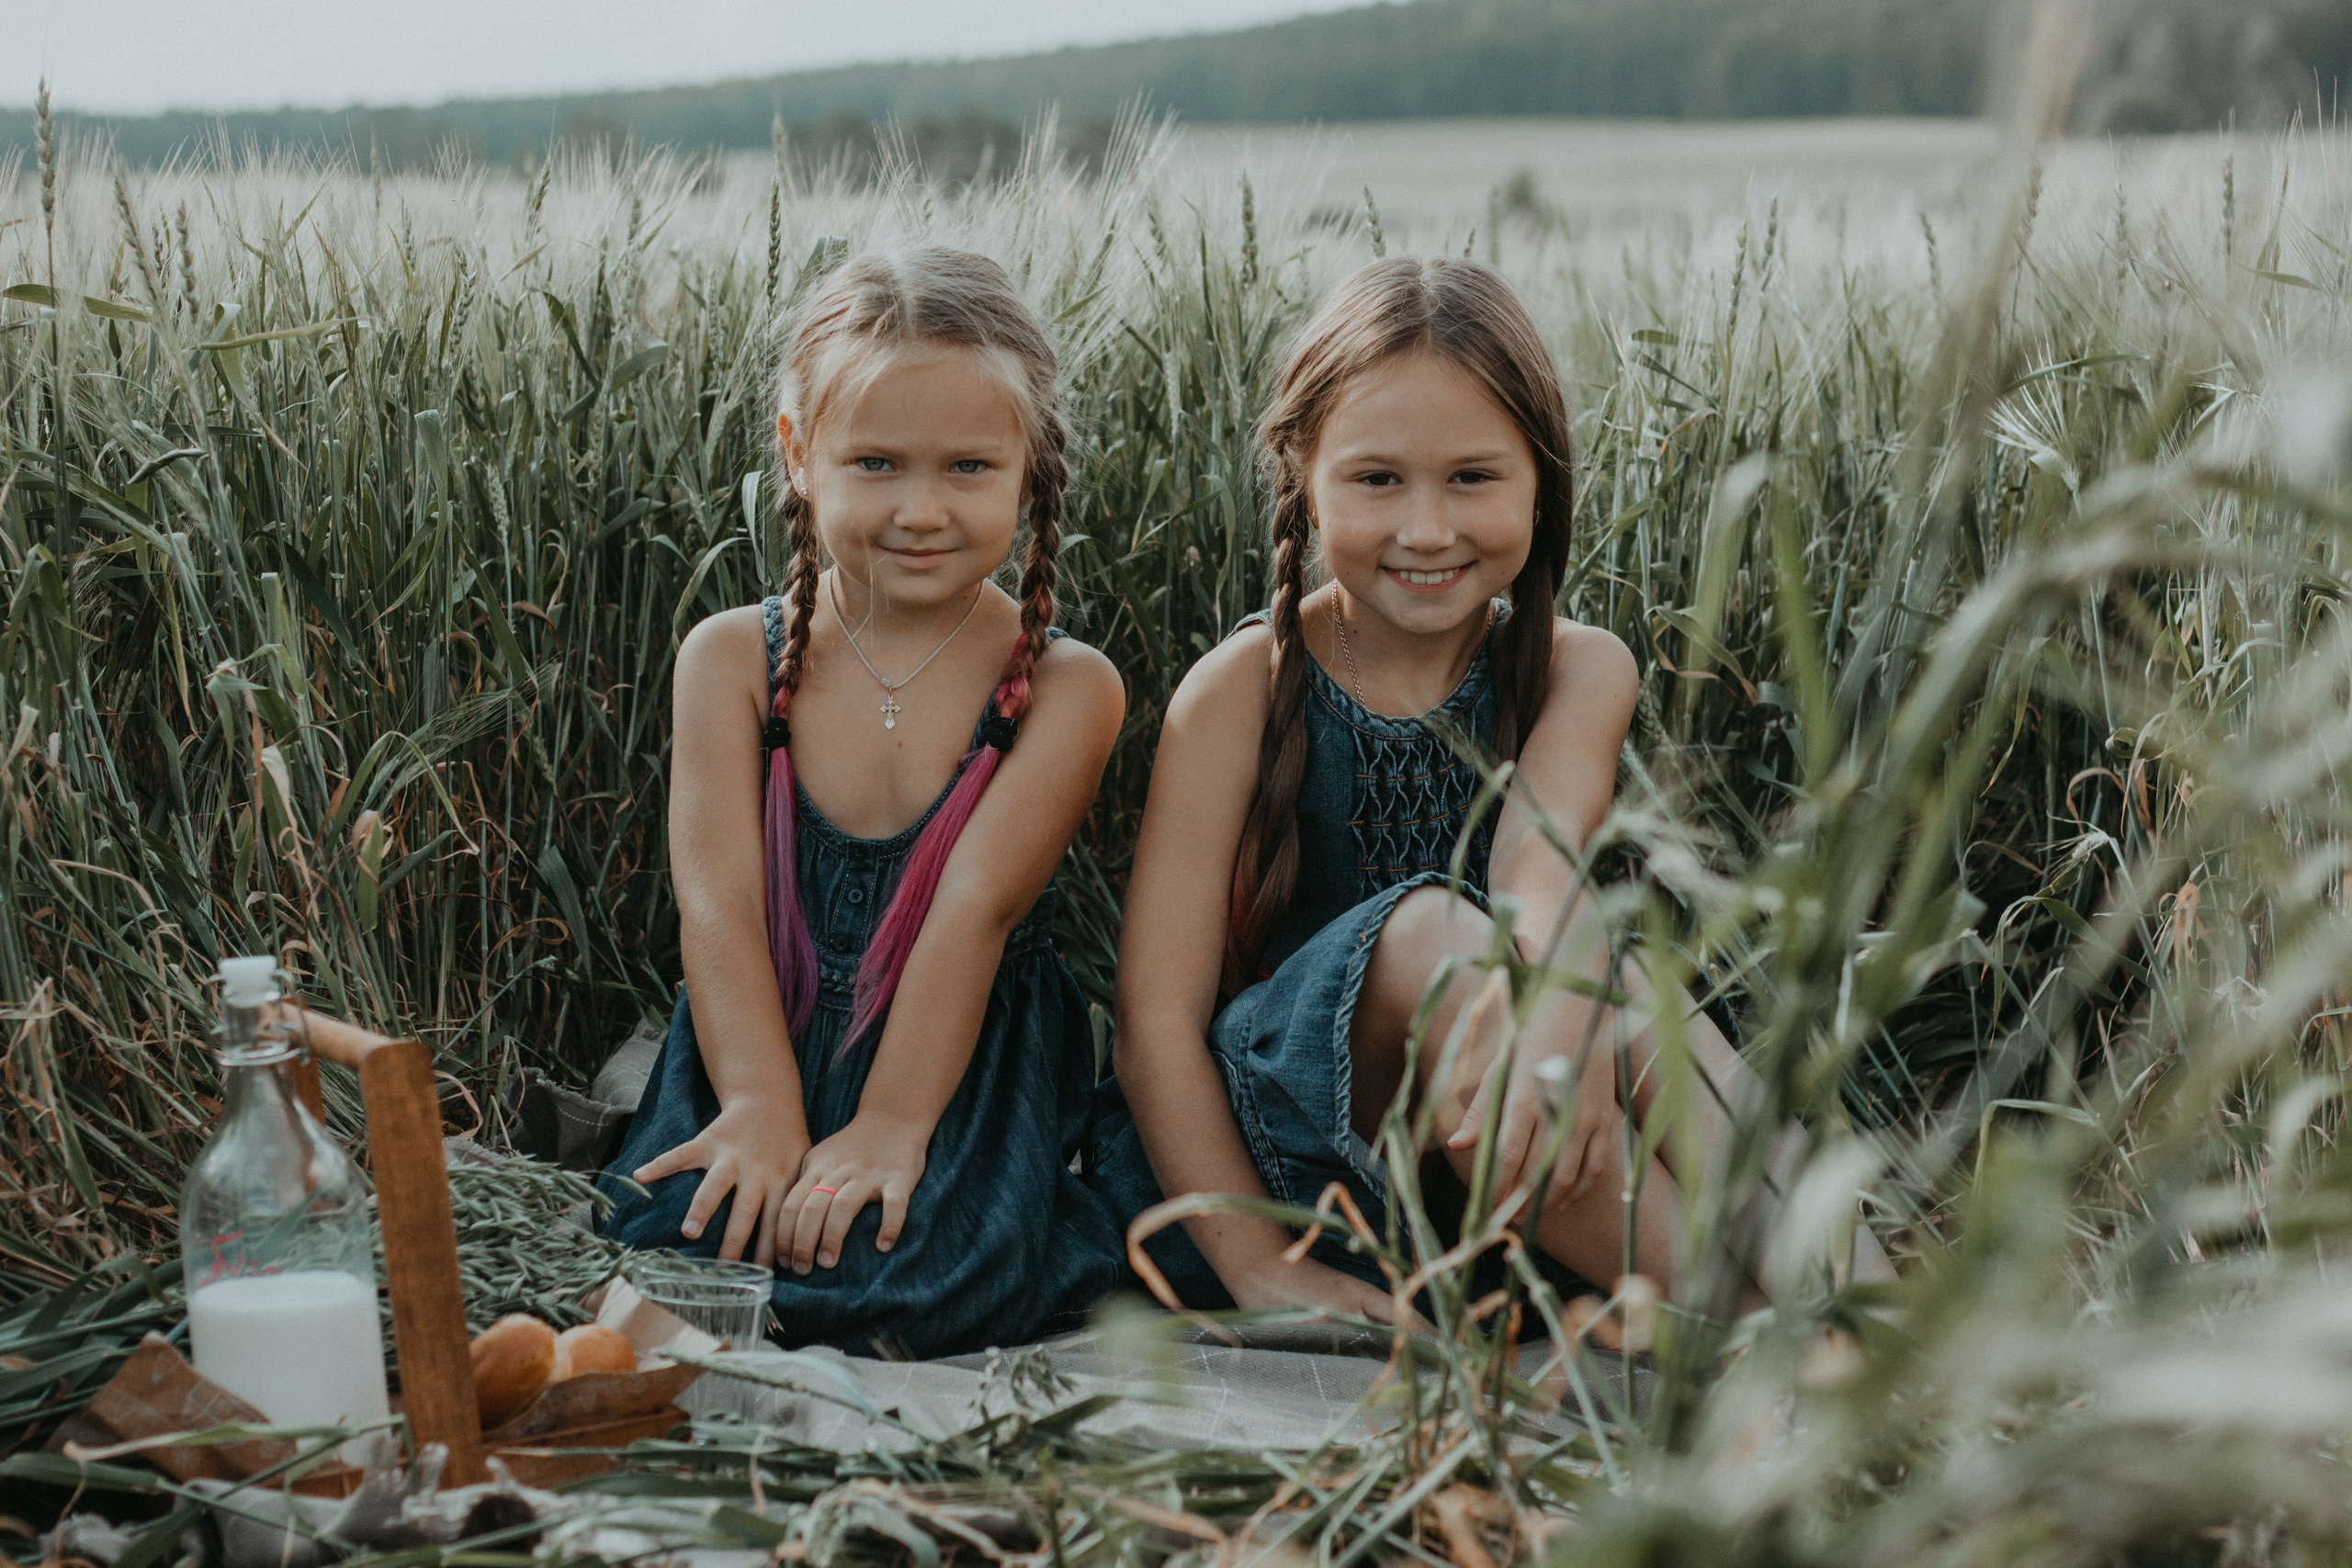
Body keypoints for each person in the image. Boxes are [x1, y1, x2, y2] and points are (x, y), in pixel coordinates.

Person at [1094, 255, 1890, 1324]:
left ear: (1540, 479)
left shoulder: (1577, 666)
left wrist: (1568, 1020)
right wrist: (1259, 1269)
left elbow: (1537, 864)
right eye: (1377, 480)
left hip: (1498, 1165)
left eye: (1472, 478)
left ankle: (1876, 1331)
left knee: (1628, 989)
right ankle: (1753, 1331)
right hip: (1285, 1177)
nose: (1427, 530)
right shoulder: (1242, 689)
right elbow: (1153, 1025)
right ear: (1301, 474)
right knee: (1439, 939)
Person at [599, 248, 1129, 1358]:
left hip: (951, 1058)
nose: (920, 510)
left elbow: (973, 911)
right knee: (674, 1239)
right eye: (876, 463)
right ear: (800, 455)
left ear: (1028, 467)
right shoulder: (730, 661)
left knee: (920, 1270)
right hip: (755, 1038)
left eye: (970, 468)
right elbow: (720, 907)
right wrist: (757, 1109)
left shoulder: (1066, 690)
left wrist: (890, 1130)